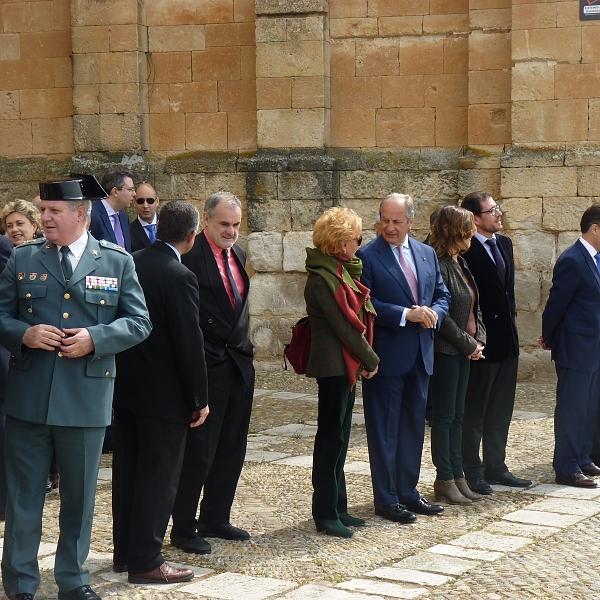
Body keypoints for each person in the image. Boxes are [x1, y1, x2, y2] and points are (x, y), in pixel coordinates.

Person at [0, 175, 151, 600]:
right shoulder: (23, 258)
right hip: (29, 399)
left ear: (80, 214)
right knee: (23, 500)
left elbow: (140, 322)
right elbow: (1, 315)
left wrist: (96, 339)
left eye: (53, 211)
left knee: (80, 501)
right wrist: (23, 335)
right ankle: (21, 585)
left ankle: (73, 581)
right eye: (42, 210)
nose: (43, 217)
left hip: (86, 399)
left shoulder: (117, 261)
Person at [112, 201, 209, 583]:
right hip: (165, 395)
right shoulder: (179, 275)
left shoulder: (131, 261)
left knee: (129, 473)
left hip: (127, 388)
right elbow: (190, 342)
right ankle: (147, 559)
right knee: (159, 476)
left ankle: (125, 552)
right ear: (191, 236)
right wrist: (199, 398)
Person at [357, 193, 450, 523]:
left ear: (411, 222)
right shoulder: (367, 255)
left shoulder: (426, 253)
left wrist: (433, 314)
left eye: (397, 221)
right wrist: (406, 314)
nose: (390, 227)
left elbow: (442, 294)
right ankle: (386, 498)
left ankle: (408, 492)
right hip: (387, 356)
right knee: (384, 430)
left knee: (412, 426)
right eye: (385, 220)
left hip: (421, 355)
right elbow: (366, 304)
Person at [171, 191, 254, 553]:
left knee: (232, 447)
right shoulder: (189, 257)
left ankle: (216, 517)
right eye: (224, 224)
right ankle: (184, 527)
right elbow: (186, 321)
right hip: (207, 368)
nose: (231, 231)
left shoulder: (239, 254)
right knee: (200, 451)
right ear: (206, 220)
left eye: (236, 225)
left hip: (238, 367)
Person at [304, 207, 379, 538]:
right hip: (334, 366)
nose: (359, 244)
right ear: (339, 242)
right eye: (356, 238)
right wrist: (371, 359)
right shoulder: (323, 279)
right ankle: (325, 513)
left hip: (346, 364)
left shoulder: (342, 271)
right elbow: (345, 327)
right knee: (330, 439)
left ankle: (339, 507)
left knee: (342, 438)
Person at [460, 192, 531, 494]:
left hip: (508, 340)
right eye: (492, 211)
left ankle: (497, 466)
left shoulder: (504, 243)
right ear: (475, 218)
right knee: (475, 410)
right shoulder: (466, 249)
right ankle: (473, 470)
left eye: (497, 208)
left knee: (501, 409)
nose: (498, 214)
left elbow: (508, 293)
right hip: (482, 342)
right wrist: (474, 339)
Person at [428, 206, 486, 505]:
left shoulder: (459, 262)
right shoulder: (437, 263)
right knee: (445, 417)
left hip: (465, 350)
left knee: (458, 417)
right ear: (456, 232)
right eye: (469, 229)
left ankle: (458, 476)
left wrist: (480, 340)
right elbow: (443, 315)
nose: (474, 234)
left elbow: (475, 307)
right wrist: (467, 343)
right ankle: (445, 478)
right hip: (446, 351)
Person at [2, 200, 60, 493]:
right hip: (20, 356)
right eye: (9, 225)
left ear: (35, 225)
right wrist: (23, 334)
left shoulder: (46, 256)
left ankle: (51, 471)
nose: (14, 230)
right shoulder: (14, 256)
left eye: (19, 224)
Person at [540, 205, 600, 488]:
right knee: (572, 408)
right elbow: (556, 304)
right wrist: (548, 337)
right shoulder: (573, 260)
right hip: (576, 348)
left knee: (589, 407)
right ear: (595, 228)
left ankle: (582, 456)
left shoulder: (597, 259)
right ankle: (565, 466)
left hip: (594, 348)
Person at [89, 171, 134, 252]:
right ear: (115, 191)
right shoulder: (92, 215)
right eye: (130, 190)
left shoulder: (124, 217)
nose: (134, 194)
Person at [130, 183, 159, 252]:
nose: (145, 206)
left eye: (150, 201)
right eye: (140, 201)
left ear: (157, 202)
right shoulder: (128, 232)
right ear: (134, 203)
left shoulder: (168, 225)